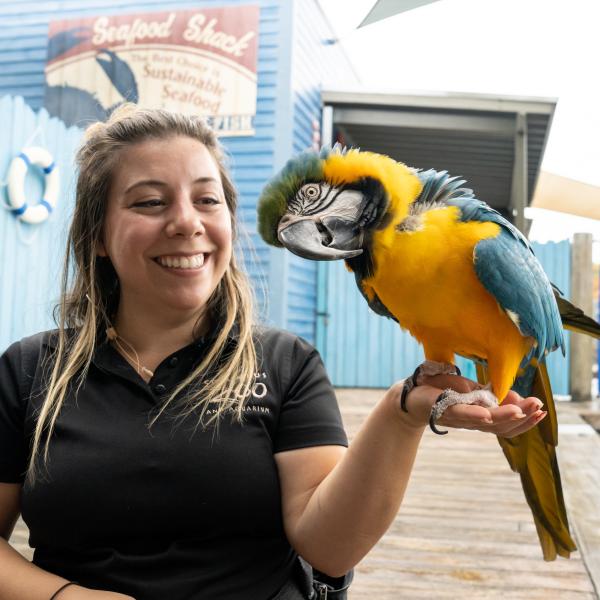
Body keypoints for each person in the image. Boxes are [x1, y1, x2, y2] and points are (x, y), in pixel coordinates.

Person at [0, 105, 547, 600]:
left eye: (207, 199)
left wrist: (401, 413)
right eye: (149, 201)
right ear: (97, 234)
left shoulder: (287, 363)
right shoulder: (27, 370)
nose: (187, 222)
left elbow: (327, 550)